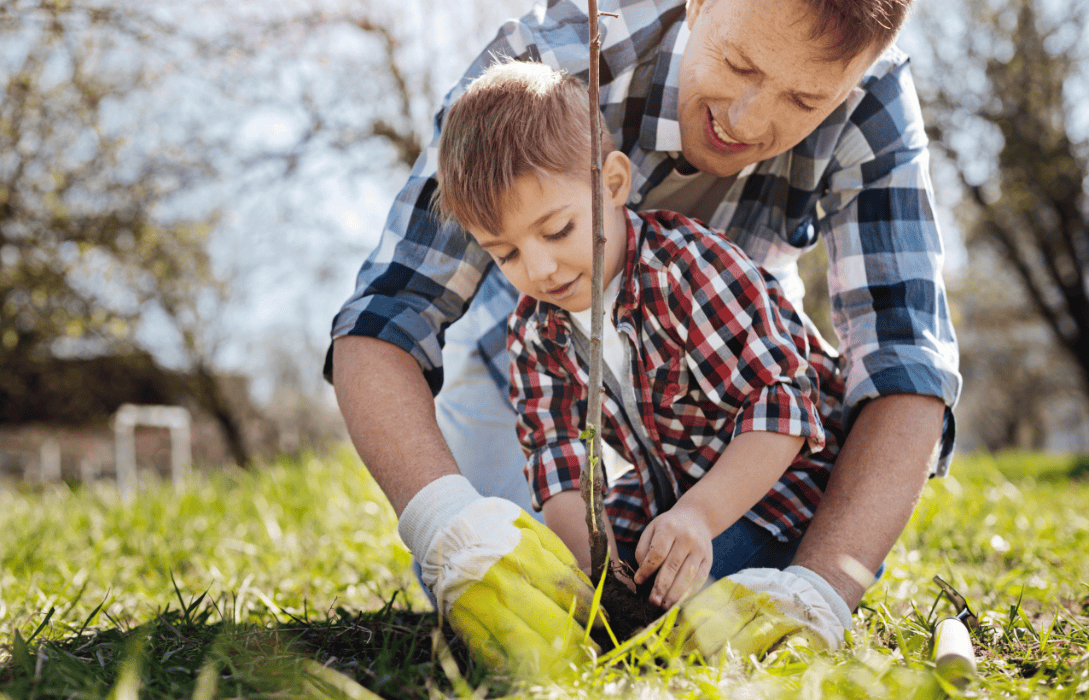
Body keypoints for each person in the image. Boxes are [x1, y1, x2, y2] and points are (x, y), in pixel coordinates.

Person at [327, 0, 961, 672]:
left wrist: (822, 589)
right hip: (542, 372)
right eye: (738, 63)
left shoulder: (871, 100)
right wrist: (445, 523)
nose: (746, 122)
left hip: (729, 375)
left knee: (722, 590)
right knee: (517, 597)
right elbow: (388, 312)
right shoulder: (544, 70)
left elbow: (903, 359)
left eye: (805, 100)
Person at [436, 60, 849, 626]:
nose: (539, 267)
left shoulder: (692, 268)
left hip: (780, 483)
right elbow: (559, 461)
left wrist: (700, 517)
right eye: (504, 253)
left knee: (684, 606)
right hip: (668, 489)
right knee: (573, 585)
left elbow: (782, 408)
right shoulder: (535, 331)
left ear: (612, 184)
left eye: (557, 230)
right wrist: (593, 582)